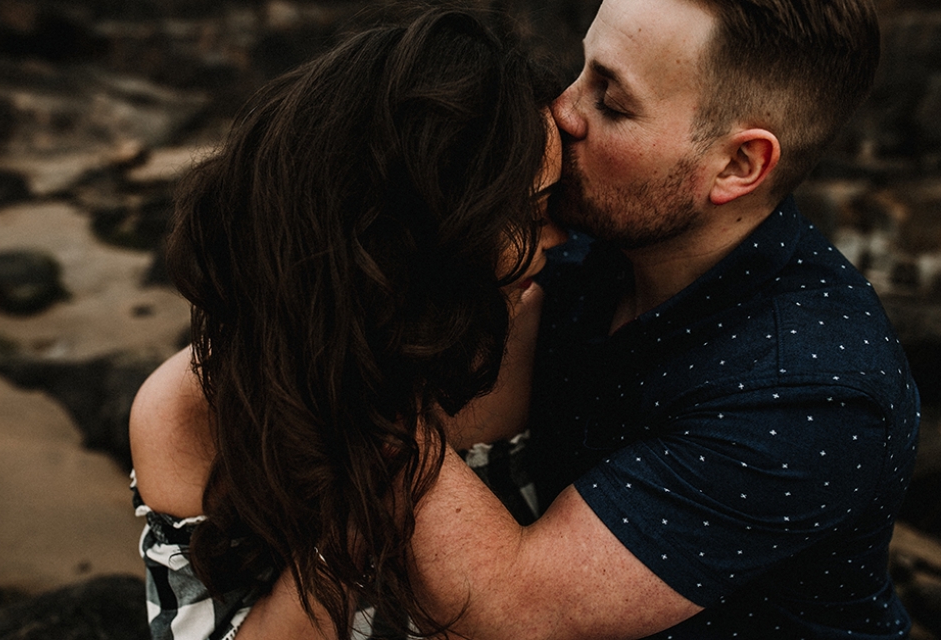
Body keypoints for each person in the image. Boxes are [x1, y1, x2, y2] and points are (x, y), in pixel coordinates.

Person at [402, 0, 920, 638]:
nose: (563, 109)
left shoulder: (810, 389)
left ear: (737, 166)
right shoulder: (597, 240)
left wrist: (345, 379)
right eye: (582, 69)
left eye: (612, 103)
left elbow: (510, 611)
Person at [128, 7, 566, 640]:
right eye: (532, 212)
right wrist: (354, 517)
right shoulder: (192, 410)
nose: (560, 238)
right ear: (421, 236)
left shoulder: (551, 330)